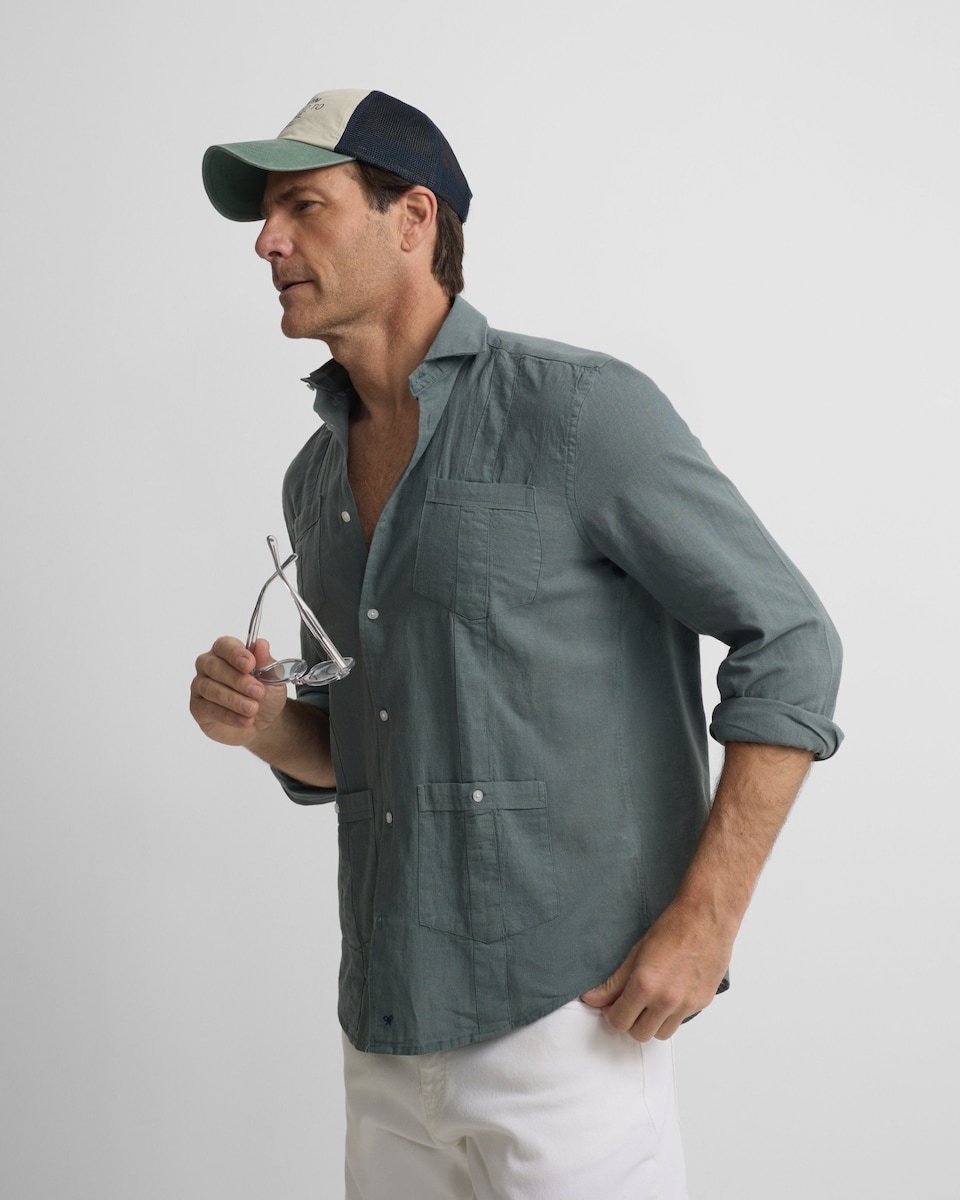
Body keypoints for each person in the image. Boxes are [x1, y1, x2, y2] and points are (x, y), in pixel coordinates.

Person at [190, 88, 843, 1199]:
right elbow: (365, 746)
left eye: (304, 207)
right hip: (383, 1032)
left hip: (569, 1024)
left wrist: (708, 919)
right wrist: (264, 726)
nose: (267, 242)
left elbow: (790, 637)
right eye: (266, 216)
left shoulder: (578, 414)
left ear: (413, 219)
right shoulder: (314, 479)